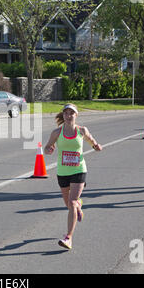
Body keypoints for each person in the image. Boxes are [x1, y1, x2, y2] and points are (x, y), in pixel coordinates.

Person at [44, 103, 102, 249]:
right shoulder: (57, 132)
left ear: (76, 115)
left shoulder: (81, 130)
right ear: (63, 115)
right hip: (63, 172)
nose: (69, 116)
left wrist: (96, 145)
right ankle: (78, 207)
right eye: (66, 113)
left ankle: (68, 238)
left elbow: (91, 139)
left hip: (79, 170)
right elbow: (47, 147)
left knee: (73, 202)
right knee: (69, 205)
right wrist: (49, 149)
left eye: (72, 113)